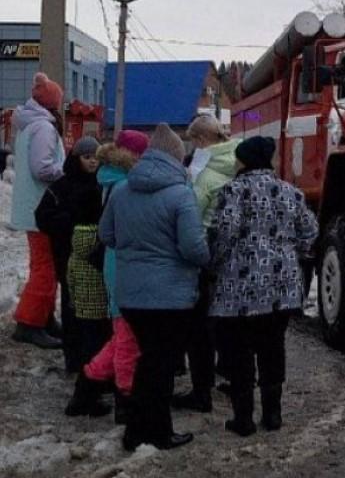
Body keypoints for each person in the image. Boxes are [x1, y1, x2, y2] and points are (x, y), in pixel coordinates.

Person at [100, 124, 209, 452]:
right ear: (176, 156)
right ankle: (159, 433)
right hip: (170, 297)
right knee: (159, 367)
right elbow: (194, 249)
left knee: (149, 362)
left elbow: (107, 236)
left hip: (131, 296)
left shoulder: (121, 190)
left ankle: (136, 431)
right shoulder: (181, 193)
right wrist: (207, 255)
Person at [209, 136, 317, 436]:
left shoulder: (233, 191)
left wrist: (215, 264)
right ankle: (273, 415)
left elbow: (225, 233)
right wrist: (292, 253)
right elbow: (310, 233)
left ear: (244, 161)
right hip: (281, 289)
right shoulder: (290, 193)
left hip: (238, 289)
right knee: (273, 348)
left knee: (240, 352)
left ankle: (243, 419)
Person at [172, 114, 241, 413]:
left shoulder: (205, 172)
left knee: (199, 326)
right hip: (233, 252)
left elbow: (191, 213)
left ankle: (202, 391)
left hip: (205, 251)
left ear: (201, 141)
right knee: (228, 319)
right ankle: (231, 373)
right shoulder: (235, 161)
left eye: (193, 140)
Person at [83, 131, 150, 425]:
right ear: (133, 155)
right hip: (121, 261)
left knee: (124, 331)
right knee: (126, 336)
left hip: (115, 260)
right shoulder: (124, 184)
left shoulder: (108, 178)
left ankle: (87, 387)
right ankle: (121, 395)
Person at [34, 136, 103, 377]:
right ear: (77, 159)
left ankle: (95, 362)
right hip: (67, 257)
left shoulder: (103, 184)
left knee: (96, 313)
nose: (92, 162)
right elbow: (42, 217)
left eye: (96, 157)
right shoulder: (61, 187)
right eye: (87, 157)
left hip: (98, 259)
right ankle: (74, 361)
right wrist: (68, 223)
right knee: (72, 310)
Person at [9, 73, 66, 349]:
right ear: (53, 103)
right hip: (43, 210)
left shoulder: (27, 125)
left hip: (33, 207)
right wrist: (67, 172)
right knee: (46, 268)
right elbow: (42, 168)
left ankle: (43, 318)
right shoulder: (43, 128)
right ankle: (30, 323)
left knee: (43, 265)